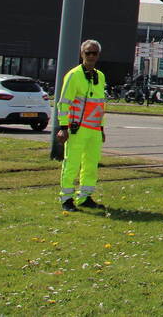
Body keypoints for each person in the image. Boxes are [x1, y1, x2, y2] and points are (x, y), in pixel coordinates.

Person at [55, 39, 107, 212]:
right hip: (77, 128)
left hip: (94, 130)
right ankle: (66, 198)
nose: (91, 56)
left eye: (94, 53)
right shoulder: (74, 75)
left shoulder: (100, 76)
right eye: (88, 53)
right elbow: (63, 103)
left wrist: (101, 128)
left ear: (98, 55)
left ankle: (85, 197)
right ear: (82, 54)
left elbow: (100, 105)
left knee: (91, 164)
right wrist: (63, 127)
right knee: (72, 164)